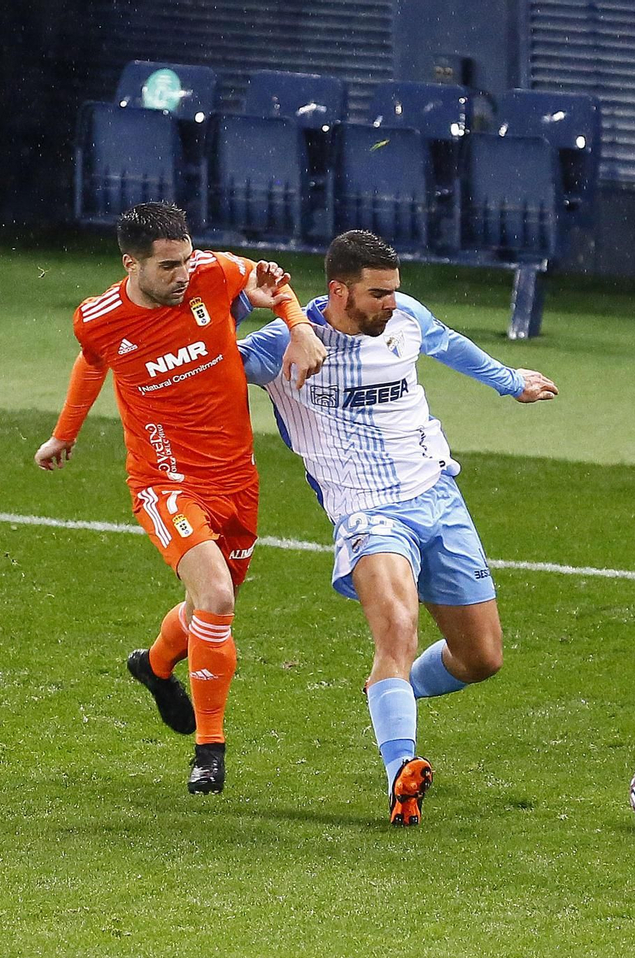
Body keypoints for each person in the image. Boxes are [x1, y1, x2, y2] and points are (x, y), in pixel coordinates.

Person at [238, 230, 558, 825]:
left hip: (438, 496)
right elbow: (198, 365)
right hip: (366, 512)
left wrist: (510, 381)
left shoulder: (404, 317)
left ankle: (390, 694)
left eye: (394, 291)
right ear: (339, 291)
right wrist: (237, 301)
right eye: (377, 293)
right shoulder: (279, 345)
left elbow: (448, 342)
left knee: (481, 657)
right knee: (398, 632)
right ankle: (401, 774)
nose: (391, 302)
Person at [35, 202, 327, 794]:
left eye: (187, 259)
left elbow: (273, 284)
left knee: (204, 612)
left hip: (237, 481)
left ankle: (153, 664)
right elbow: (95, 364)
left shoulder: (212, 273)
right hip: (165, 482)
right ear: (131, 263)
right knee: (217, 596)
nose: (182, 274)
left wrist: (298, 328)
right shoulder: (98, 318)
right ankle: (210, 748)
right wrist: (65, 432)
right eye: (168, 266)